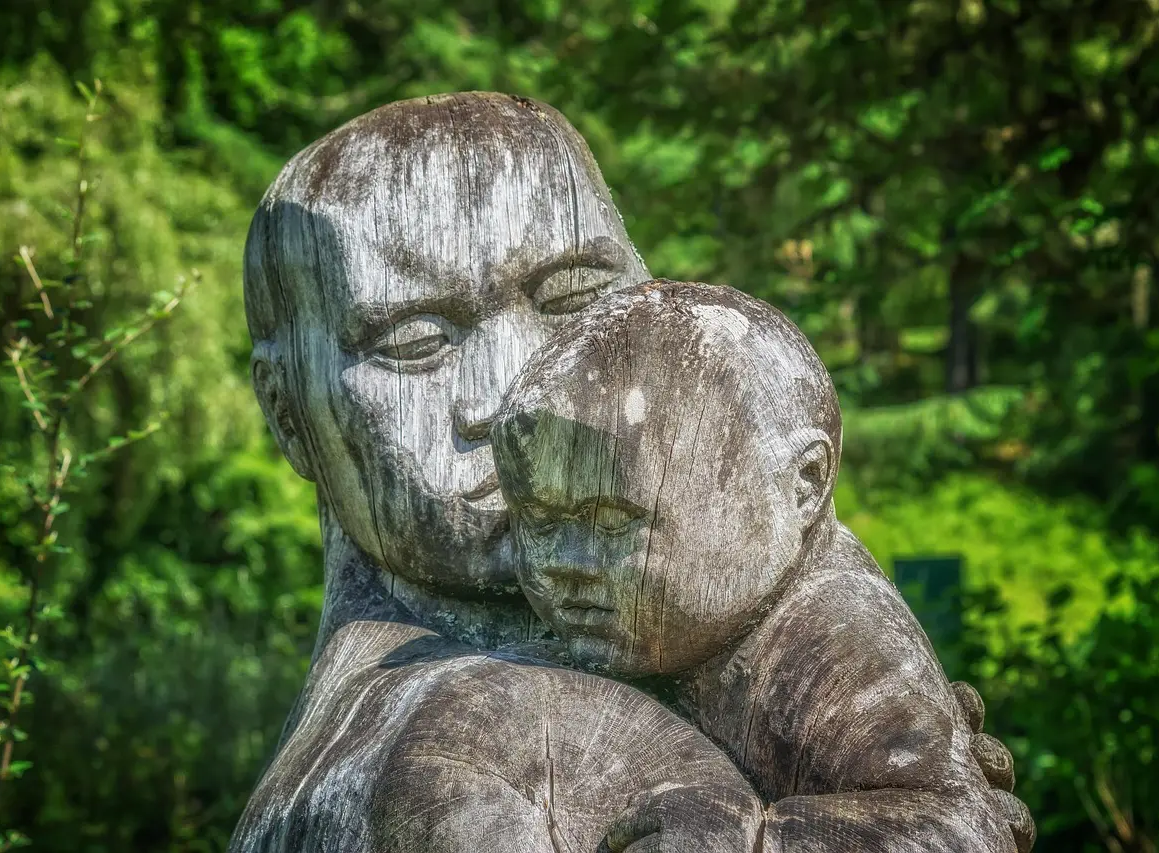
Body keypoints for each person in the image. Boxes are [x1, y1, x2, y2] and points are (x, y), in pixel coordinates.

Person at [229, 92, 1029, 852]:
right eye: (414, 341)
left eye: (576, 296)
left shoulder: (767, 584)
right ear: (289, 412)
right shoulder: (475, 748)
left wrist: (900, 800)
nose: (518, 388)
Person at [490, 280, 1034, 851]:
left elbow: (957, 830)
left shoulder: (834, 638)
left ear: (802, 485)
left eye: (611, 519)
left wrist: (752, 839)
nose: (566, 563)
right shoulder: (690, 622)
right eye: (541, 520)